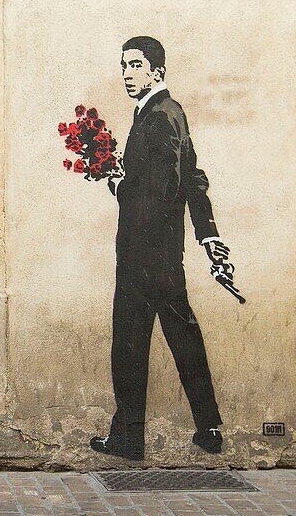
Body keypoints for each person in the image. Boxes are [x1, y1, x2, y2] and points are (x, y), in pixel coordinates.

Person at [90, 36, 227, 461]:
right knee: (179, 336)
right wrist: (209, 234)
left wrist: (117, 184)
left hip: (143, 255)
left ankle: (131, 437)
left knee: (130, 344)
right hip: (164, 255)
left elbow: (164, 189)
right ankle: (208, 426)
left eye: (136, 65)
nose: (127, 73)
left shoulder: (158, 118)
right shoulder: (168, 113)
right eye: (124, 65)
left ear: (158, 72)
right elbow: (194, 179)